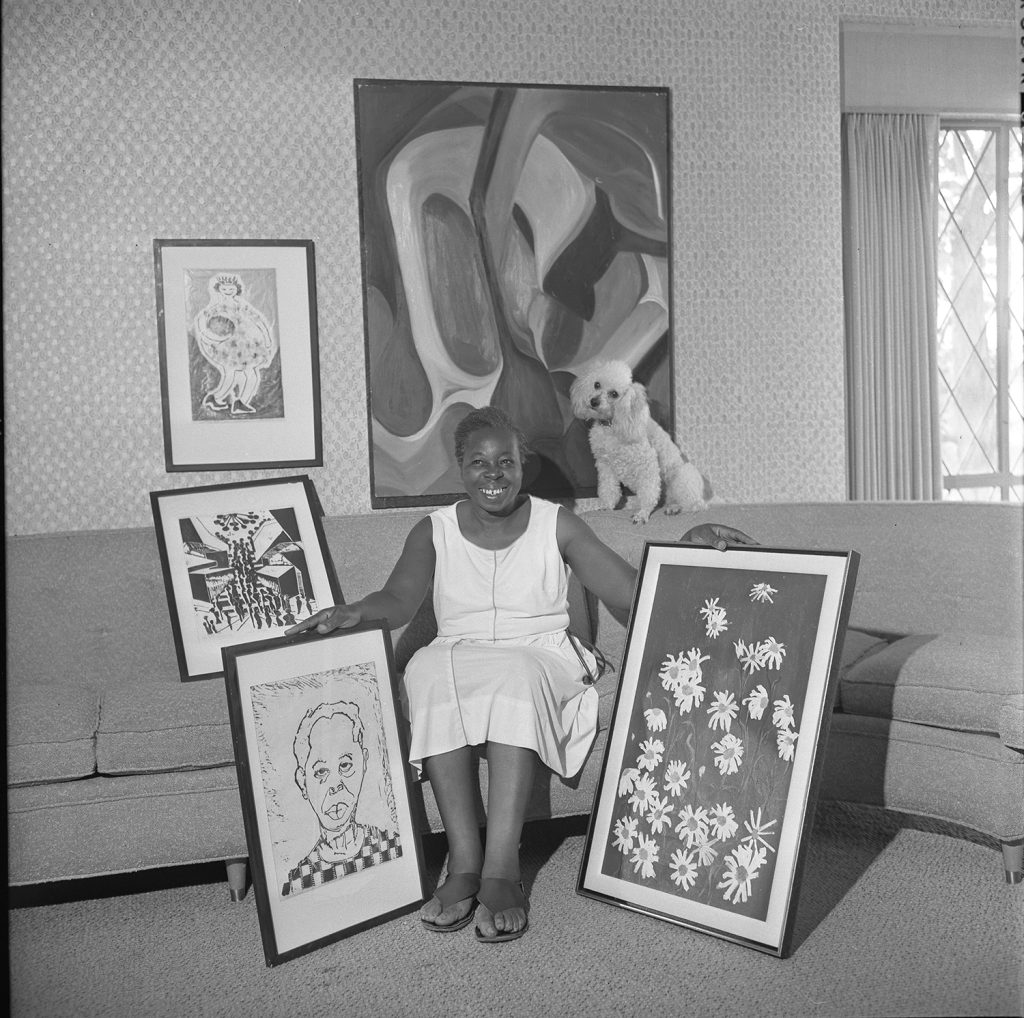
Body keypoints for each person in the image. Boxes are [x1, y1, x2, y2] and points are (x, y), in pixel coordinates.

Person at [287, 406, 753, 940]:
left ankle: (502, 868)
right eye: (479, 462)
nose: (493, 473)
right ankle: (464, 861)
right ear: (461, 467)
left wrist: (689, 545)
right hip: (461, 648)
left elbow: (630, 589)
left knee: (515, 672)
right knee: (425, 669)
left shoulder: (557, 524)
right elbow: (398, 599)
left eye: (505, 461)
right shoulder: (433, 530)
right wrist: (354, 611)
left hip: (542, 651)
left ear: (521, 465)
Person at [282, 700, 401, 897]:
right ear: (302, 781)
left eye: (345, 765)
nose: (335, 785)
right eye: (321, 771)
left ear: (363, 763)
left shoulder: (393, 846)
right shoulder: (298, 881)